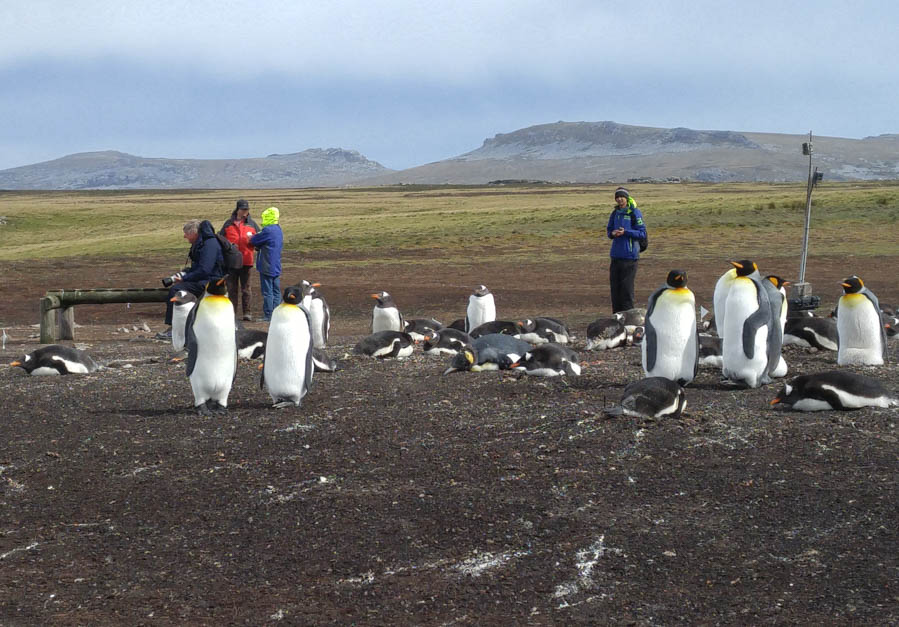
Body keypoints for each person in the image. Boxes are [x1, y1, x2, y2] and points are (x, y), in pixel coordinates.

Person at [155, 219, 226, 340]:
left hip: (211, 282)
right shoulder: (203, 243)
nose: (184, 236)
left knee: (176, 291)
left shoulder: (209, 244)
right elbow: (199, 267)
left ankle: (173, 328)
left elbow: (205, 270)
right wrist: (184, 274)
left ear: (194, 233)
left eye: (186, 233)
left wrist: (185, 278)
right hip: (206, 279)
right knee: (178, 287)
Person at [606, 187, 647, 313]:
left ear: (626, 198)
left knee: (626, 290)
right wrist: (613, 233)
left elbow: (642, 233)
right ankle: (617, 316)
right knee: (615, 289)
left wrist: (626, 232)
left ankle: (629, 318)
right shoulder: (615, 213)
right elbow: (609, 231)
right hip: (616, 255)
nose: (619, 199)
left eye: (621, 197)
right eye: (617, 197)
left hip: (629, 256)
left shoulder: (634, 213)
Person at [220, 199, 259, 321]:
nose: (245, 212)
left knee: (246, 288)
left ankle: (247, 313)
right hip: (231, 262)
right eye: (243, 209)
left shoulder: (252, 224)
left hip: (246, 261)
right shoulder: (228, 224)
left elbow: (259, 239)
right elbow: (221, 239)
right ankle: (232, 313)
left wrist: (253, 244)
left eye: (247, 210)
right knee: (231, 288)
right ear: (238, 209)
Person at [248, 206, 284, 322]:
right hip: (276, 264)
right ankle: (276, 313)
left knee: (268, 291)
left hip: (267, 264)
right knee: (276, 290)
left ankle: (268, 315)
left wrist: (251, 236)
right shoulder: (278, 229)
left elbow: (254, 240)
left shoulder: (267, 230)